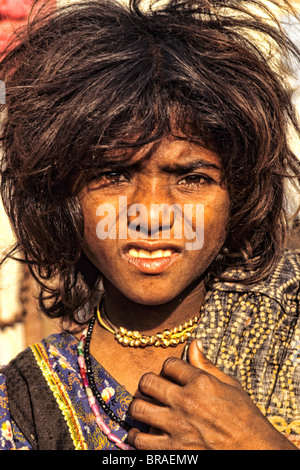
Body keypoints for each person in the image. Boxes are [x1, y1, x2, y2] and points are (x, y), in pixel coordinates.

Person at [0, 0, 300, 451]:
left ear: (238, 196)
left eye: (192, 179)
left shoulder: (286, 324)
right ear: (64, 196)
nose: (152, 213)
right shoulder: (23, 402)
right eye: (113, 176)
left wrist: (255, 442)